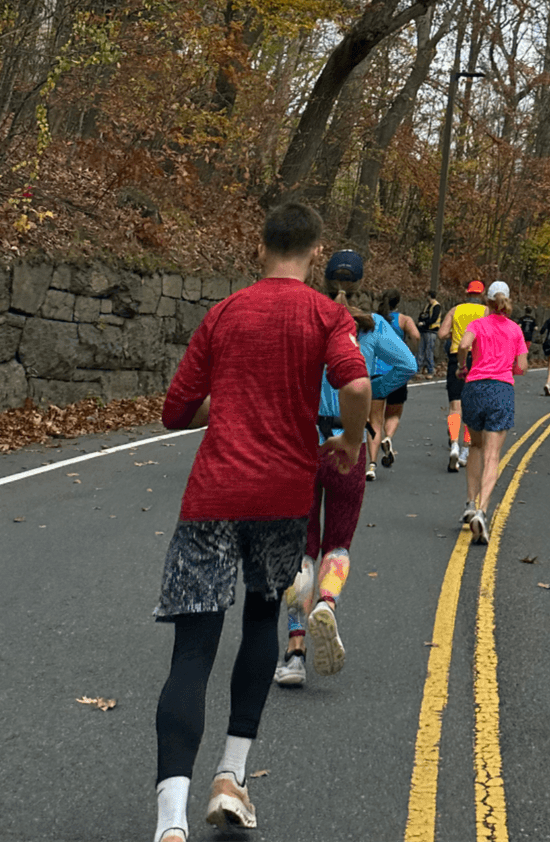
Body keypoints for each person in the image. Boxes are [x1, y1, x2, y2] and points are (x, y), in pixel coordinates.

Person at [151, 203, 371, 842]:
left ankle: (170, 822)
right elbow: (354, 386)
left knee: (192, 652)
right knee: (257, 624)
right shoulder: (326, 313)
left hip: (213, 496)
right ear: (314, 250)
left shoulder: (223, 313)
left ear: (259, 247)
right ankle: (231, 776)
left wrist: (226, 410)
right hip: (282, 496)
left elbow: (175, 411)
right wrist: (352, 443)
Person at [275, 251, 414, 687]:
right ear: (361, 281)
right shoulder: (371, 325)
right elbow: (408, 365)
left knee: (300, 547)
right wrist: (373, 391)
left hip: (302, 442)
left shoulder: (302, 316)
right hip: (347, 442)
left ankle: (295, 651)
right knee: (338, 540)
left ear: (322, 274)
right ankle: (328, 603)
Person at [457, 281, 530, 543]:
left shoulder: (477, 325)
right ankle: (482, 510)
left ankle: (469, 501)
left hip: (474, 387)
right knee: (492, 454)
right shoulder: (516, 330)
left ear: (487, 302)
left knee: (475, 446)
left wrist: (462, 365)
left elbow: (464, 345)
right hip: (501, 389)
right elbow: (521, 366)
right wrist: (510, 364)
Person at [368, 288, 420, 476]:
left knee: (374, 421)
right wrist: (410, 353)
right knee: (393, 414)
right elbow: (416, 336)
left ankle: (372, 465)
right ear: (398, 302)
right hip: (396, 373)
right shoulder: (404, 320)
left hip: (375, 374)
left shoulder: (373, 320)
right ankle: (388, 437)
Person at [438, 280, 488, 472]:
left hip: (456, 358)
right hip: (477, 359)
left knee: (455, 405)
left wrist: (454, 335)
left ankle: (454, 444)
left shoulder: (455, 310)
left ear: (467, 293)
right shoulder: (485, 312)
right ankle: (467, 449)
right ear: (482, 294)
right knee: (472, 406)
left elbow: (442, 334)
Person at [417, 290, 444, 375]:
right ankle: (418, 369)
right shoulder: (427, 306)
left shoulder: (436, 306)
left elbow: (434, 319)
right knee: (420, 350)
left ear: (429, 296)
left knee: (429, 351)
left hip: (431, 331)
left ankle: (430, 369)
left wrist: (424, 323)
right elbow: (422, 315)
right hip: (424, 330)